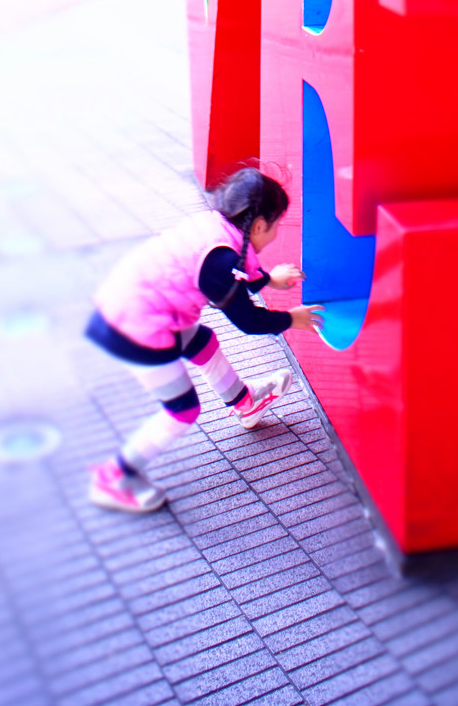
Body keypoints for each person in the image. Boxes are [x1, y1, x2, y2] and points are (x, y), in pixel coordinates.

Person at [85, 168, 322, 514]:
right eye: (275, 226)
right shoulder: (222, 260)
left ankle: (245, 404)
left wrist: (269, 280)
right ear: (258, 226)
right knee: (182, 410)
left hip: (131, 304)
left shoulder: (216, 226)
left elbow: (234, 275)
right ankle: (114, 476)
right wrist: (291, 319)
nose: (274, 234)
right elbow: (249, 320)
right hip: (134, 326)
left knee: (202, 341)